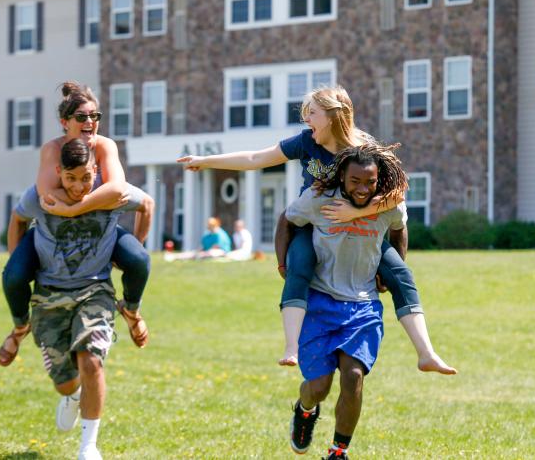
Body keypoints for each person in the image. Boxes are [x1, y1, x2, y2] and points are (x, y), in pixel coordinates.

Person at [178, 85, 453, 373]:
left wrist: (355, 211)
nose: (306, 120)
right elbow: (255, 159)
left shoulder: (364, 149)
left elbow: (396, 195)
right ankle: (291, 347)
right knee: (300, 264)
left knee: (400, 274)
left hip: (359, 231)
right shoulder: (306, 142)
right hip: (311, 226)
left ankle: (426, 353)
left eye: (312, 113)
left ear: (333, 117)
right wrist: (205, 161)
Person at [278, 143, 454, 460]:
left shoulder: (388, 206)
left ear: (379, 180)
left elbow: (400, 230)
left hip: (363, 304)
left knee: (354, 377)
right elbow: (287, 221)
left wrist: (390, 269)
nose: (362, 189)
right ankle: (305, 411)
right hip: (320, 302)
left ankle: (338, 451)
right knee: (318, 387)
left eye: (369, 182)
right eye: (355, 181)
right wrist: (283, 262)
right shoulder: (318, 200)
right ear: (342, 177)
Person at [6, 139, 152, 460]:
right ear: (59, 172)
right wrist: (17, 259)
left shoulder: (109, 194)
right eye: (70, 178)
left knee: (91, 361)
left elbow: (147, 204)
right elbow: (17, 219)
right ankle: (72, 396)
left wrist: (128, 247)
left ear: (95, 171)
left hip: (95, 290)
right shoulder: (40, 197)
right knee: (65, 383)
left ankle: (88, 446)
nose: (78, 186)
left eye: (85, 177)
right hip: (49, 295)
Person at [0, 82, 152, 367]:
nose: (90, 122)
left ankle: (131, 311)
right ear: (64, 122)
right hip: (46, 230)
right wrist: (18, 256)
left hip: (100, 226)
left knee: (139, 259)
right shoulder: (52, 150)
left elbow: (118, 188)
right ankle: (20, 328)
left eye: (95, 116)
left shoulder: (105, 146)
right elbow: (45, 196)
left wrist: (75, 209)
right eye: (82, 117)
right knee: (14, 276)